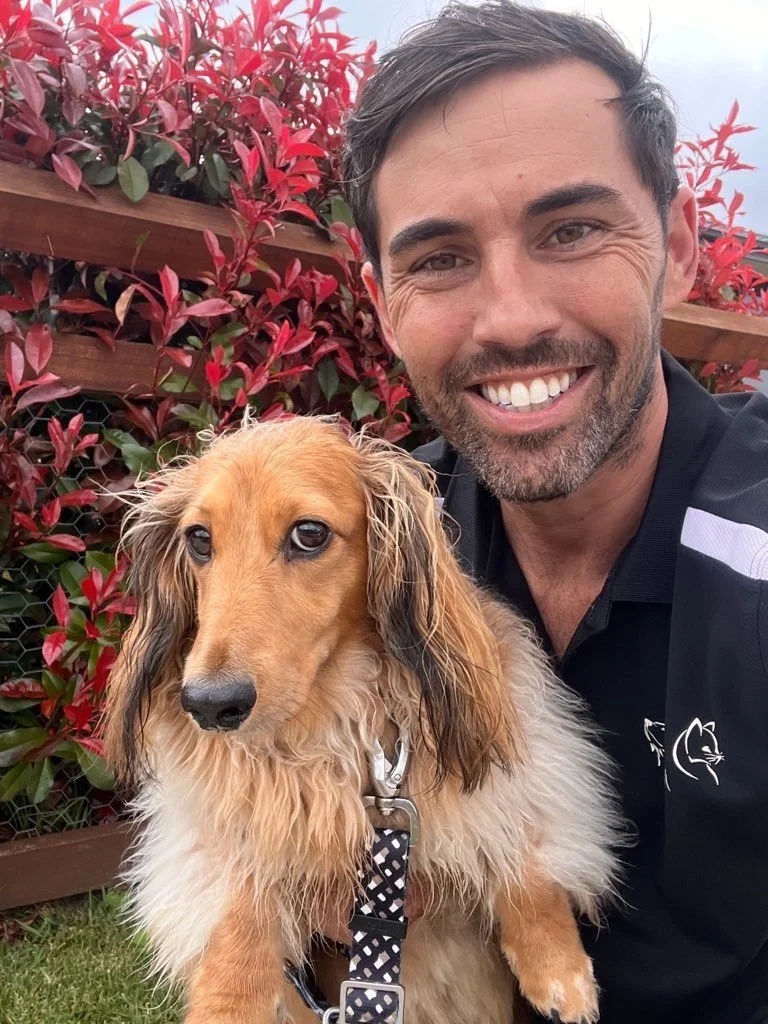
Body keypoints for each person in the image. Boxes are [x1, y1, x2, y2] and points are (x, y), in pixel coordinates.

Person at [328, 2, 768, 1023]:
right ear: (384, 301)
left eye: (571, 231)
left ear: (678, 243)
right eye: (440, 258)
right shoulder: (362, 555)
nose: (514, 317)